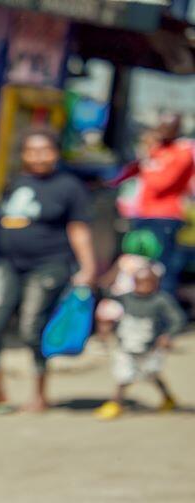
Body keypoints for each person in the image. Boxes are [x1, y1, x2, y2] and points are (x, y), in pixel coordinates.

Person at [0, 126, 97, 413]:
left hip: (49, 265)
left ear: (55, 153)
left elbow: (79, 229)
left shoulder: (69, 187)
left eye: (45, 150)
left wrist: (88, 268)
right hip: (9, 265)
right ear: (24, 154)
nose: (38, 156)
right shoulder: (15, 182)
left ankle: (40, 394)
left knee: (31, 329)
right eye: (32, 150)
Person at [93, 267, 186, 420]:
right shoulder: (128, 298)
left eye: (147, 283)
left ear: (155, 284)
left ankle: (168, 398)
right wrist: (96, 283)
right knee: (124, 375)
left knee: (151, 373)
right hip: (127, 345)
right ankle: (115, 403)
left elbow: (177, 319)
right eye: (139, 283)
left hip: (150, 348)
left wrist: (167, 336)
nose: (143, 287)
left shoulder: (160, 300)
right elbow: (107, 294)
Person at [132, 113, 194, 296]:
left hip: (165, 216)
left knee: (162, 266)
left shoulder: (182, 153)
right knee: (141, 263)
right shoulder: (157, 150)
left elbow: (160, 183)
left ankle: (164, 304)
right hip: (143, 213)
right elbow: (132, 171)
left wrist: (146, 163)